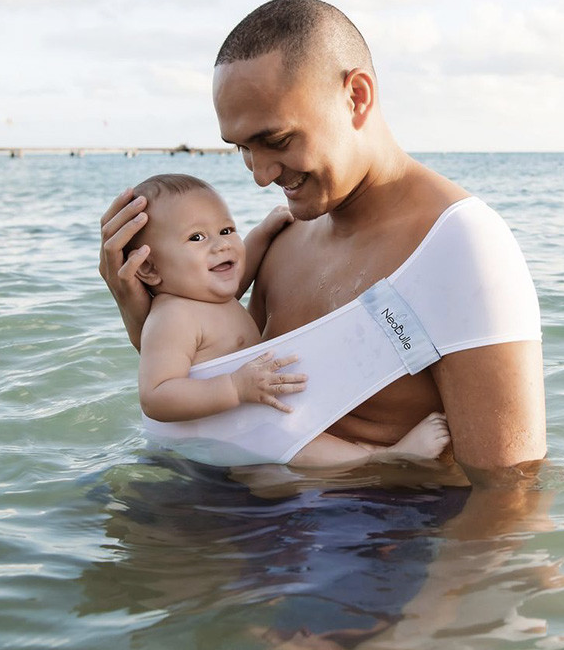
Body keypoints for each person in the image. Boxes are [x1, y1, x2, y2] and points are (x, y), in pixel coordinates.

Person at [100, 0, 546, 485]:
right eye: (244, 149)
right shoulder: (284, 240)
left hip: (368, 534)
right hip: (242, 514)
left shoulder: (461, 247)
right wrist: (140, 309)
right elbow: (223, 387)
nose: (261, 176)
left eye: (278, 140)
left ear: (356, 97)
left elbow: (509, 493)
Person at [124, 172, 451, 468]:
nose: (221, 244)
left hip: (240, 424)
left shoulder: (206, 294)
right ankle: (383, 457)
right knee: (298, 446)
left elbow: (238, 273)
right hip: (219, 431)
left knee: (291, 434)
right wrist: (234, 387)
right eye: (197, 238)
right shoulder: (172, 317)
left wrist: (262, 234)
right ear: (150, 269)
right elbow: (156, 396)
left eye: (226, 230)